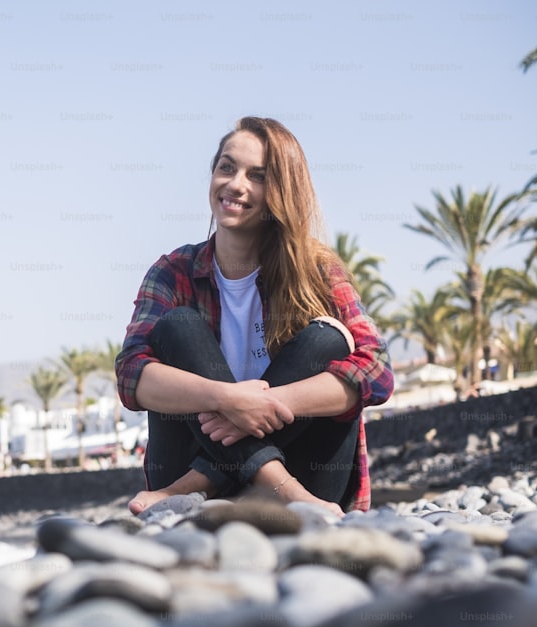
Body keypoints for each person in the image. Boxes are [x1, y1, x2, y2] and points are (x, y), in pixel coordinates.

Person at [115, 116, 394, 517]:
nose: (236, 184)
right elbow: (130, 374)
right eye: (227, 167)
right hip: (215, 475)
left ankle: (201, 482)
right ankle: (254, 485)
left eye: (257, 176)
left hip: (306, 476)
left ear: (282, 192)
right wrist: (229, 399)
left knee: (328, 339)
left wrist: (269, 403)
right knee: (176, 326)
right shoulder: (173, 271)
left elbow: (377, 370)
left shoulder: (314, 269)